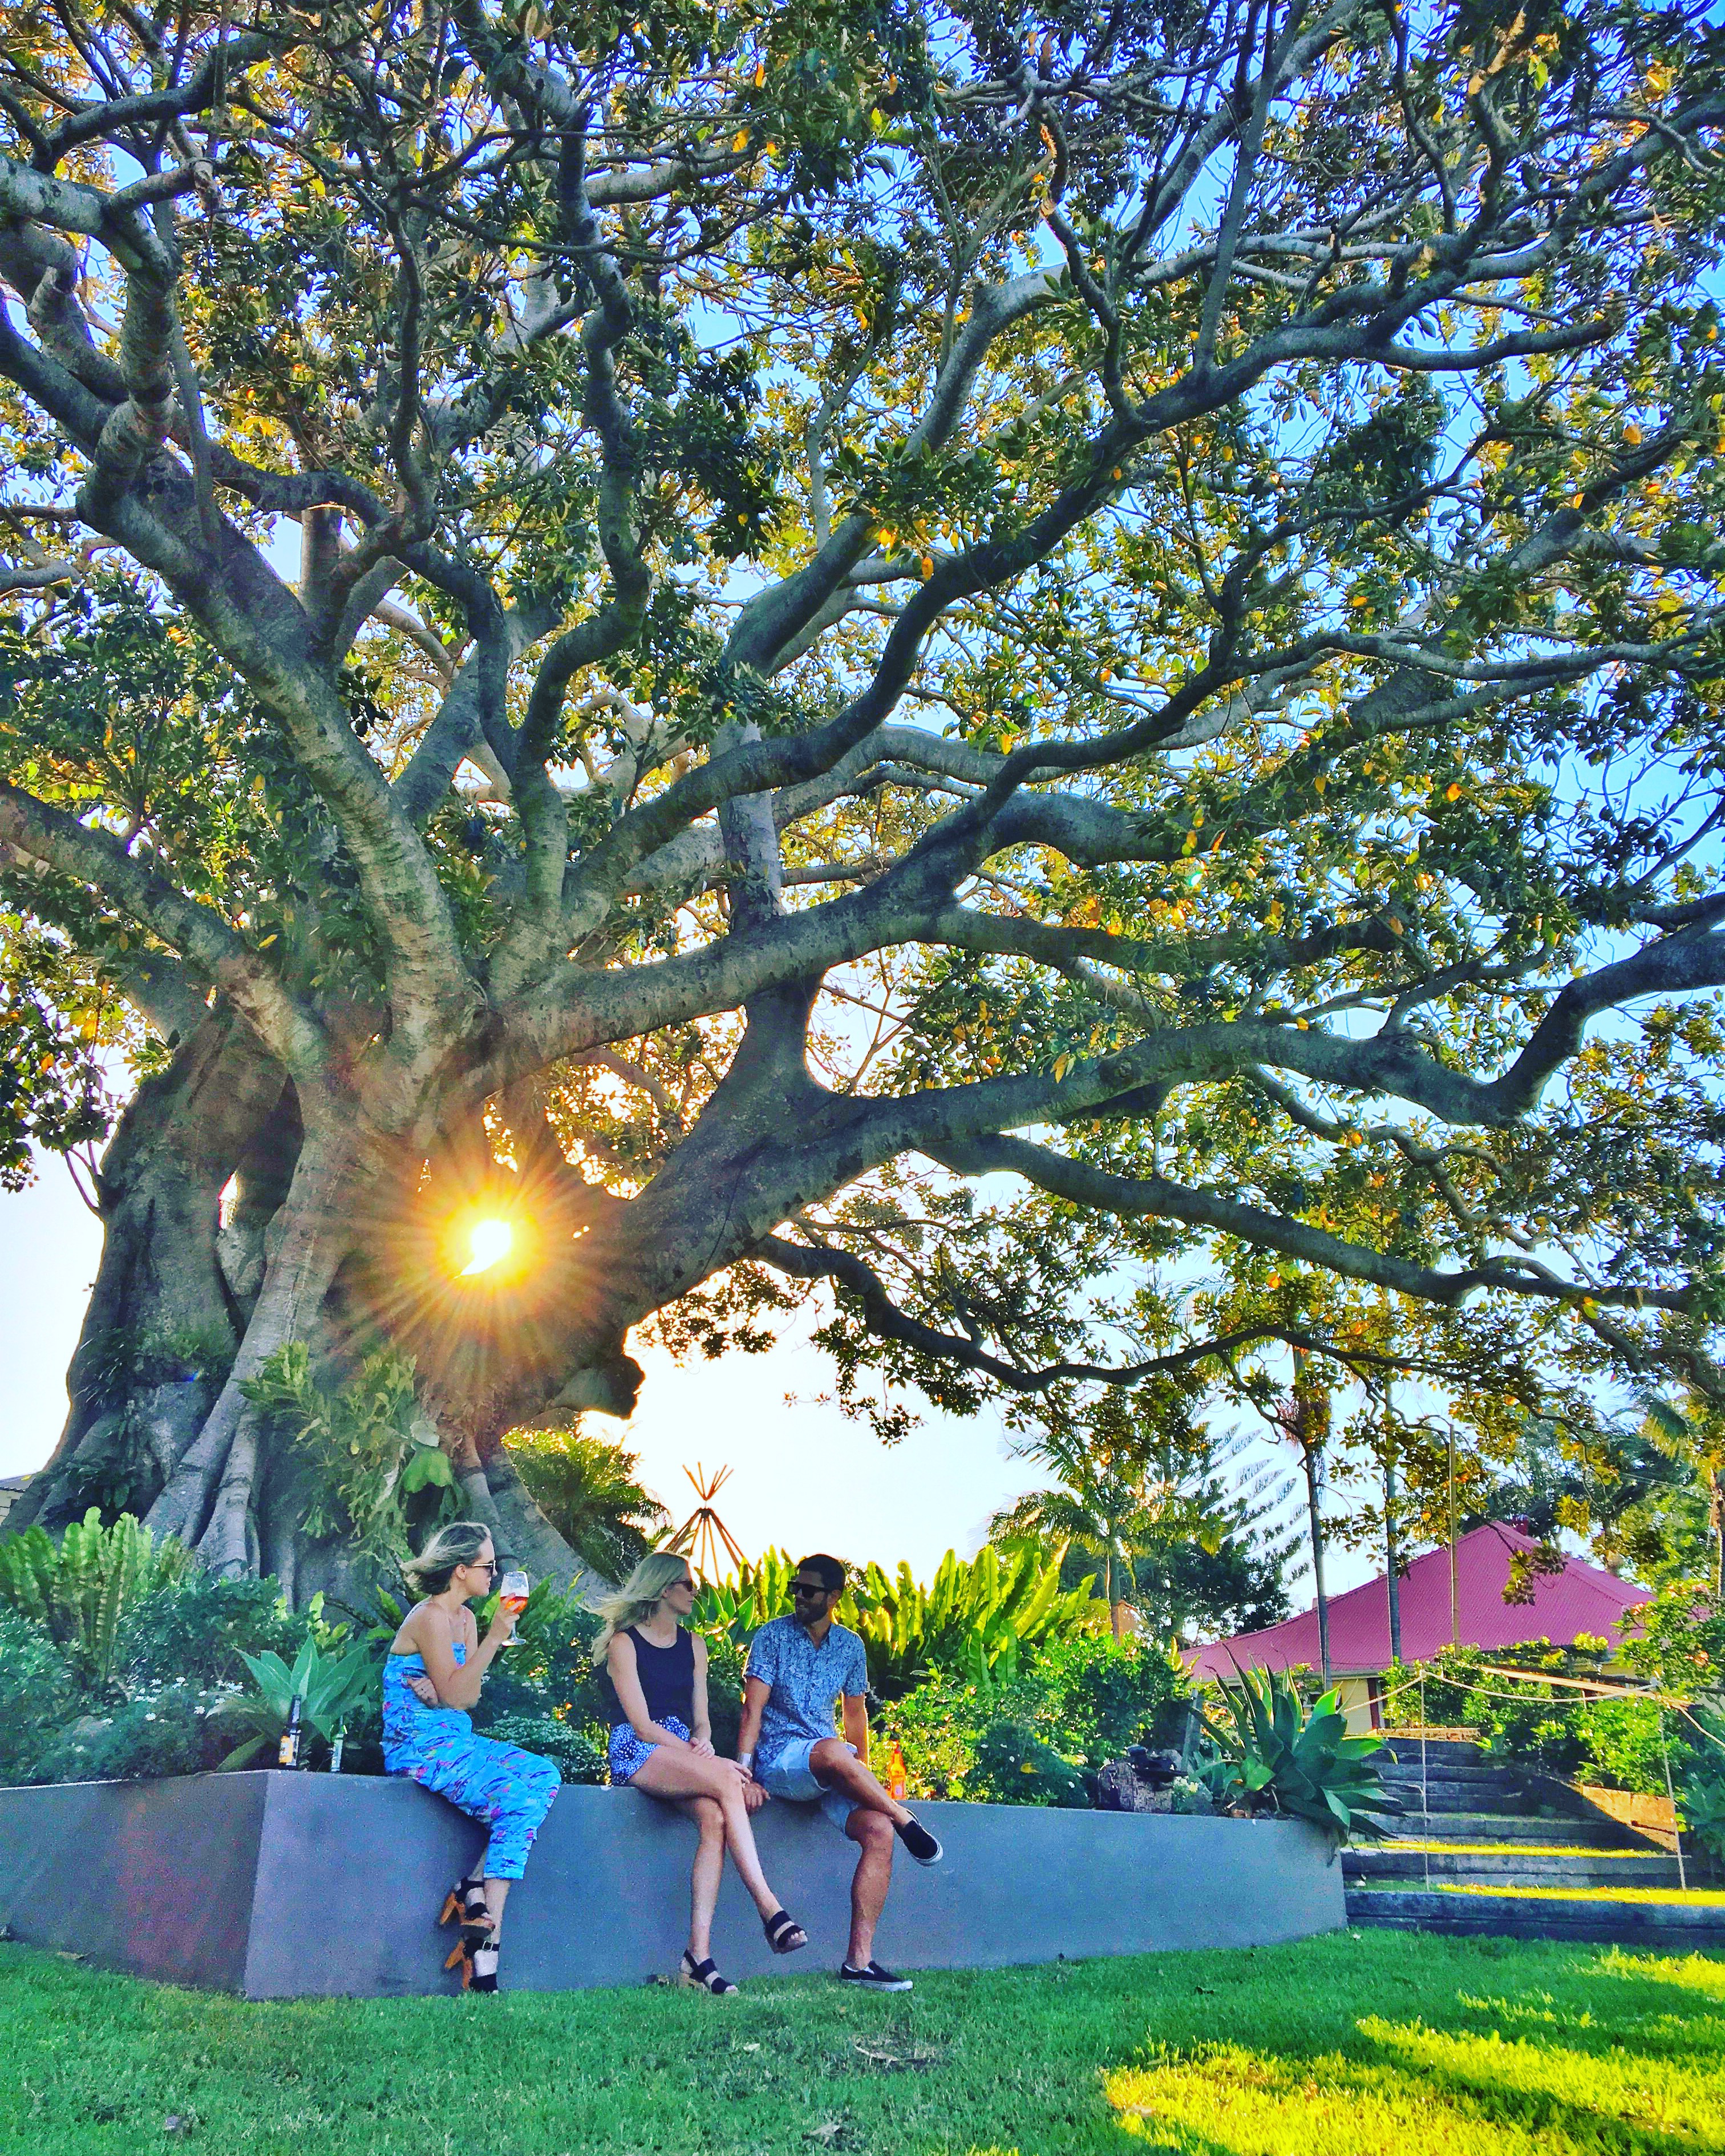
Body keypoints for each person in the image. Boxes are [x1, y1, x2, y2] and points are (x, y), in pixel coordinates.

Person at [596, 1551, 808, 1993]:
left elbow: (701, 1718)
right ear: (663, 1588)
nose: (696, 1591)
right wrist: (711, 1763)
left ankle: (698, 1956)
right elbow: (641, 1725)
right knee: (729, 1780)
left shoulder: (694, 1644)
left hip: (684, 1748)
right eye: (688, 1584)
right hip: (640, 1748)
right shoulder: (624, 1643)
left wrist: (706, 1743)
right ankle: (769, 1908)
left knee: (714, 1819)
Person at [736, 1553, 942, 1992]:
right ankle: (907, 1819)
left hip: (830, 1764)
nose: (798, 1595)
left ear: (833, 1596)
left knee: (878, 1830)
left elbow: (855, 1712)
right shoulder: (771, 1637)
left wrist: (860, 1774)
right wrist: (745, 1772)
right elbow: (752, 1707)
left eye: (808, 1589)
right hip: (781, 1759)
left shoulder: (850, 1645)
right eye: (795, 1586)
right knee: (834, 1752)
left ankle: (859, 1963)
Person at [383, 1520, 561, 1992]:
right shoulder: (430, 1617)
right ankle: (486, 1956)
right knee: (519, 1805)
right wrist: (493, 1640)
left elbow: (468, 1696)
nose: (495, 1574)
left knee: (544, 1774)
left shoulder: (462, 1617)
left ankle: (472, 1889)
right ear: (461, 1570)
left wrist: (445, 1692)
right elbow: (461, 1692)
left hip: (456, 1739)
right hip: (421, 1750)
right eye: (488, 1565)